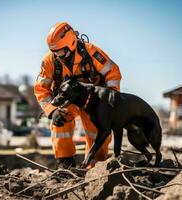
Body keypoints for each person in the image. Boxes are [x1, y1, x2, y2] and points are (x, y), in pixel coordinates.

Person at [34, 22, 122, 169]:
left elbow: (113, 72)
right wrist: (51, 110)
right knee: (59, 123)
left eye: (61, 52)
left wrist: (110, 99)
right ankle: (65, 165)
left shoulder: (91, 52)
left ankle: (95, 168)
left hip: (93, 101)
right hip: (67, 101)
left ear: (72, 43)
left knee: (98, 131)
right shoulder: (50, 60)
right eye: (55, 52)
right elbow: (41, 89)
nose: (58, 56)